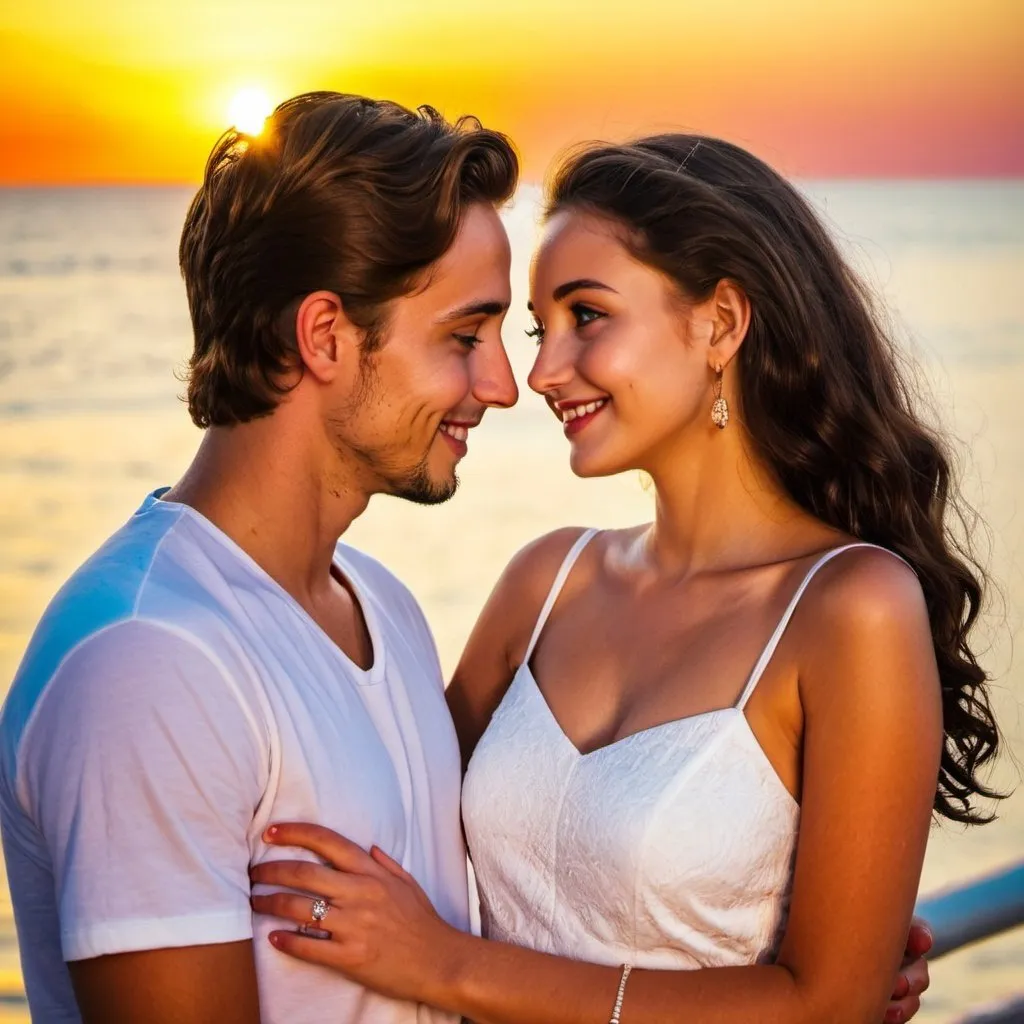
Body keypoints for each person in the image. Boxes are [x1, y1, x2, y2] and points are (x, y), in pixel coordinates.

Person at [249, 134, 999, 1024]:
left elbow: (828, 1006)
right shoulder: (546, 583)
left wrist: (448, 968)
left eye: (587, 316)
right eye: (538, 327)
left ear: (720, 323)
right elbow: (394, 817)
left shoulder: (852, 610)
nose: (538, 373)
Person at [0, 92, 520, 1023]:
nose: (503, 385)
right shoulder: (149, 660)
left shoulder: (385, 610)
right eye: (464, 336)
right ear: (324, 336)